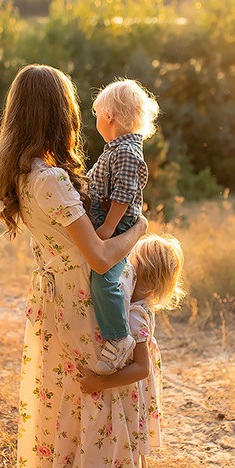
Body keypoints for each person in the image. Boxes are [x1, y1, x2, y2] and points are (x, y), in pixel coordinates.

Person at [0, 64, 148, 468]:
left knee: (64, 412)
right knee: (91, 409)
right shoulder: (52, 179)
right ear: (61, 112)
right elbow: (100, 257)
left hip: (54, 301)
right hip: (80, 302)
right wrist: (139, 229)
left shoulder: (26, 171)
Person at [78, 233, 185, 468]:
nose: (126, 276)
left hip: (132, 393)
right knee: (131, 462)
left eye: (134, 273)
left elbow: (141, 368)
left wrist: (100, 383)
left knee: (137, 464)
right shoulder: (135, 303)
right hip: (130, 393)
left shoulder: (137, 314)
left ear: (151, 286)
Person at [88, 79, 159, 375]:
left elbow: (123, 195)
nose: (95, 120)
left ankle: (119, 338)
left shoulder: (128, 151)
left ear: (108, 115)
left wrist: (107, 228)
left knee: (106, 278)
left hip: (117, 223)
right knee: (97, 275)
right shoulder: (114, 149)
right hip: (109, 220)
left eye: (96, 114)